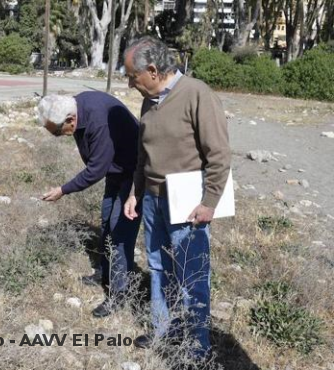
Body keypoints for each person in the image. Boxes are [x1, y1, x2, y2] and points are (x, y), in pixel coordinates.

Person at [122, 36, 231, 364]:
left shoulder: (197, 93)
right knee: (158, 267)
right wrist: (135, 193)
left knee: (192, 275)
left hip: (187, 201)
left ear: (153, 71)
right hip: (153, 200)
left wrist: (210, 201)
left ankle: (198, 347)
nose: (130, 83)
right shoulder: (148, 100)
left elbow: (219, 154)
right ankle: (161, 329)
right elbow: (144, 156)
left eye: (132, 76)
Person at [38, 92, 142, 318]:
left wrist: (63, 190)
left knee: (119, 232)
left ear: (70, 121)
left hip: (134, 174)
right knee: (106, 222)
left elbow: (96, 169)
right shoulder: (74, 106)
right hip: (116, 169)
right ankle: (105, 272)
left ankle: (119, 294)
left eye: (57, 132)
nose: (59, 136)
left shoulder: (97, 121)